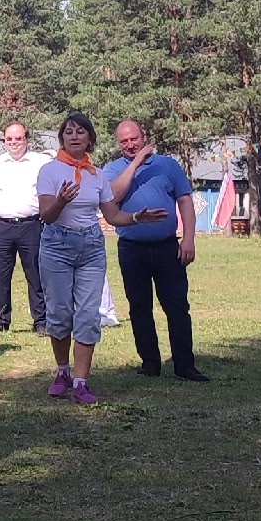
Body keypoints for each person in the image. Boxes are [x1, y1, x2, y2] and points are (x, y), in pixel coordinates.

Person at [98, 118, 207, 381]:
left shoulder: (167, 165)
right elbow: (112, 197)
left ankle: (184, 365)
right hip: (131, 248)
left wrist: (189, 239)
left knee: (177, 306)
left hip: (167, 246)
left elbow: (185, 201)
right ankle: (150, 363)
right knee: (139, 307)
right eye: (124, 141)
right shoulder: (112, 169)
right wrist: (136, 164)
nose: (130, 144)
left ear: (144, 136)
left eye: (134, 139)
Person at [36, 113, 108, 406]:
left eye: (80, 131)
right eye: (68, 132)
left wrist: (136, 218)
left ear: (89, 138)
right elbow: (46, 216)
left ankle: (81, 382)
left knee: (88, 316)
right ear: (62, 139)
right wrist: (61, 200)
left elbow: (113, 214)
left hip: (91, 246)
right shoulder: (50, 171)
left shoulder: (97, 174)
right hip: (57, 245)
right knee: (59, 313)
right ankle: (62, 371)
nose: (74, 136)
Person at [0, 120, 50, 334]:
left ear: (27, 139)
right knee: (0, 277)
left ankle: (41, 322)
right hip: (2, 227)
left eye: (18, 138)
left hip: (31, 225)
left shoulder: (41, 162)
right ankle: (0, 322)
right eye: (9, 139)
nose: (14, 142)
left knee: (36, 275)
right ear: (4, 141)